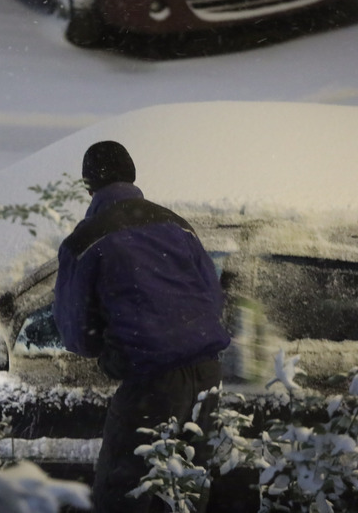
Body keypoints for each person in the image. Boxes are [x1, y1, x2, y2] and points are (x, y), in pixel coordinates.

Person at [53, 140, 231, 513]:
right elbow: (212, 300)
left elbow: (76, 333)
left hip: (151, 381)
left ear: (88, 185)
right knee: (185, 490)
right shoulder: (178, 226)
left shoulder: (86, 240)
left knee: (125, 491)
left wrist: (111, 351)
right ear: (133, 177)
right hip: (209, 373)